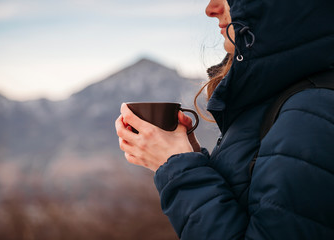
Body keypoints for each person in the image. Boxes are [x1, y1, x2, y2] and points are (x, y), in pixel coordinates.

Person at [115, 0, 334, 239]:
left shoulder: (310, 110)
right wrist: (188, 156)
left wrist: (177, 167)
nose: (211, 8)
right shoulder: (284, 99)